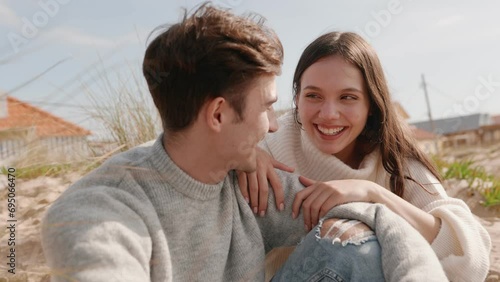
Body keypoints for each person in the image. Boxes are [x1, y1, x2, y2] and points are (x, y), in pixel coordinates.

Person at [41, 5, 447, 281]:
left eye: (347, 97)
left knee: (353, 246)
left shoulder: (247, 181)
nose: (274, 126)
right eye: (268, 107)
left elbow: (378, 221)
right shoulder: (98, 211)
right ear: (218, 115)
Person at [239, 31, 492, 281]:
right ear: (296, 97)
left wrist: (373, 193)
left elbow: (471, 259)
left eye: (347, 97)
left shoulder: (392, 155)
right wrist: (242, 154)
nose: (328, 114)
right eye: (313, 95)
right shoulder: (272, 145)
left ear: (370, 104)